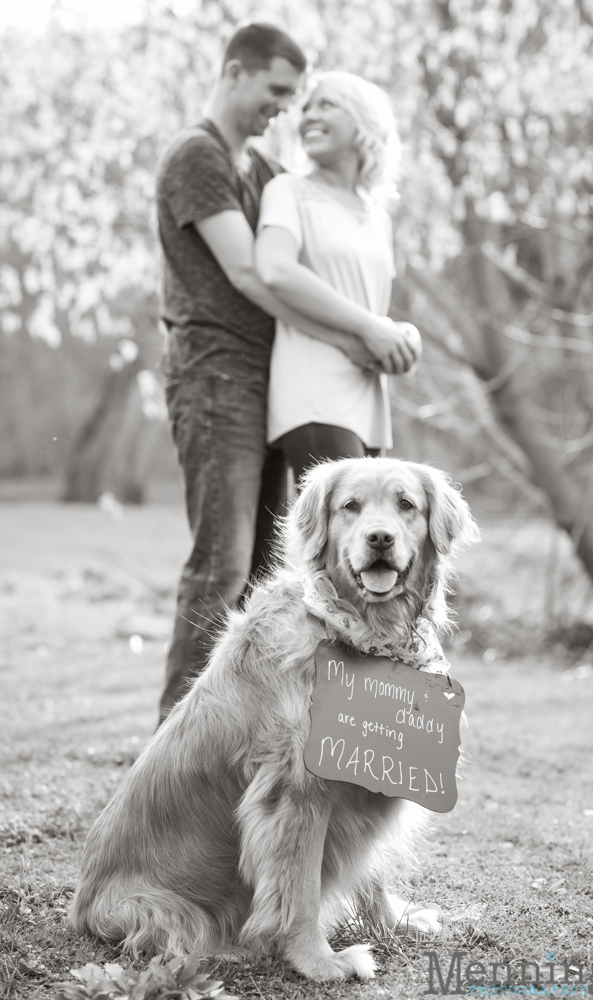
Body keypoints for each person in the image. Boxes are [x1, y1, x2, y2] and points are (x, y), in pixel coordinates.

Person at [156, 26, 413, 721]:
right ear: (235, 73)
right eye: (276, 92)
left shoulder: (263, 173)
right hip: (215, 378)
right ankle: (174, 744)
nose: (285, 111)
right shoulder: (197, 156)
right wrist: (357, 332)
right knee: (222, 565)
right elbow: (251, 270)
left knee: (270, 579)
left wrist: (356, 338)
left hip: (269, 381)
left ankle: (248, 731)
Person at [255, 71, 421, 484]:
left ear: (363, 121)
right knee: (342, 545)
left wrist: (402, 338)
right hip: (315, 396)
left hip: (367, 402)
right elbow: (275, 270)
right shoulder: (287, 190)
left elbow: (370, 303)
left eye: (326, 104)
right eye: (306, 107)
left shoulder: (376, 215)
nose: (309, 115)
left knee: (360, 544)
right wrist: (370, 328)